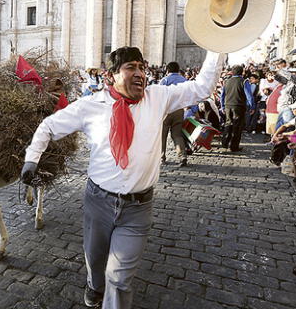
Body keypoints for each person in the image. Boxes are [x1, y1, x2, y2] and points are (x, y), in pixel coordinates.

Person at [20, 47, 226, 308]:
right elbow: (48, 127)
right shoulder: (90, 106)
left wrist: (218, 42)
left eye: (142, 67)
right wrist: (32, 159)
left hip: (138, 210)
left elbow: (203, 87)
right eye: (131, 67)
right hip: (98, 203)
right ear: (111, 76)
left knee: (118, 279)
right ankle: (94, 286)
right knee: (95, 261)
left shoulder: (159, 97)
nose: (140, 73)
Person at [159, 62, 189, 166]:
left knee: (162, 135)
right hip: (179, 111)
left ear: (167, 70)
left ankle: (161, 158)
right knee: (177, 135)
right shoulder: (184, 80)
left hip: (166, 110)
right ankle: (182, 156)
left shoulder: (165, 80)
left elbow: (159, 96)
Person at [220, 64, 254, 152]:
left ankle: (224, 144)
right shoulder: (244, 81)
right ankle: (234, 146)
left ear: (232, 72)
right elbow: (249, 95)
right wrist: (251, 106)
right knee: (237, 127)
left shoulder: (226, 81)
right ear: (242, 72)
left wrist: (222, 106)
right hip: (239, 106)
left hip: (228, 105)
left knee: (228, 124)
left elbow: (222, 95)